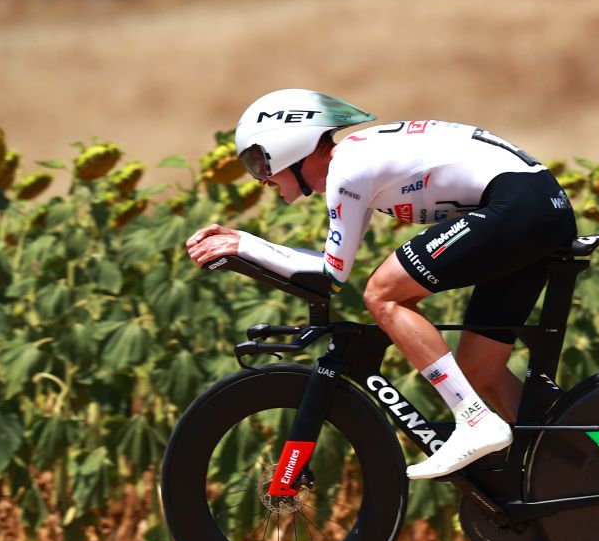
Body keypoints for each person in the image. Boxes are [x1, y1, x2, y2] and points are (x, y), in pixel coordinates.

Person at [186, 89, 577, 480]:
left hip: (519, 205)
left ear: (290, 145)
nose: (260, 179)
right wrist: (248, 246)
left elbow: (330, 277)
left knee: (383, 294)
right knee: (481, 370)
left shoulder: (348, 171)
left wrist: (246, 244)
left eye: (258, 161)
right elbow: (333, 266)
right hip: (535, 205)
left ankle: (473, 420)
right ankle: (577, 464)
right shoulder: (358, 162)